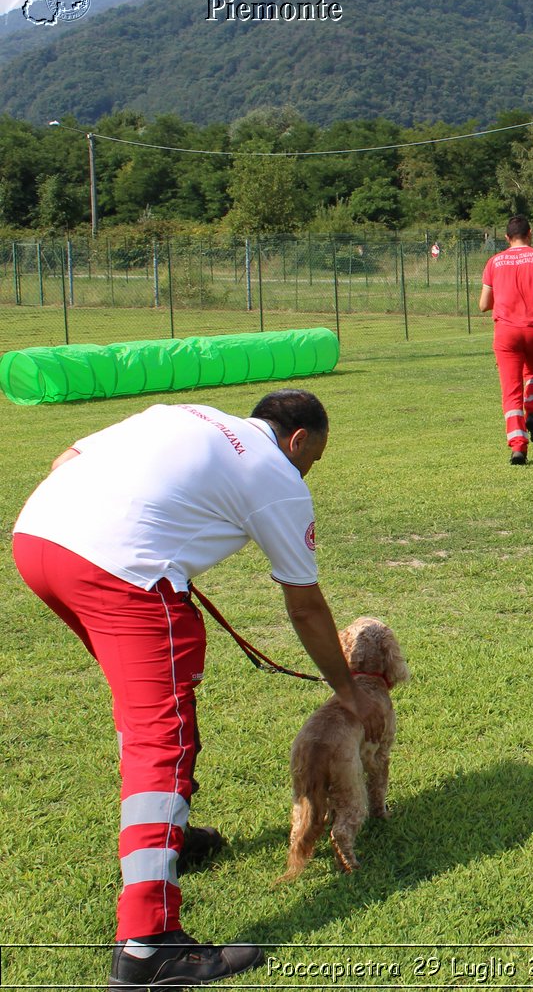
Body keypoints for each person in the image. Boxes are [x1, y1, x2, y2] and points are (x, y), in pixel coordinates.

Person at [10, 389, 377, 989]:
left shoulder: (185, 414)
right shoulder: (281, 477)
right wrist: (347, 691)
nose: (311, 469)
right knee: (164, 739)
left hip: (40, 541)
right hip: (121, 573)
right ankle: (148, 945)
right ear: (299, 440)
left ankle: (166, 842)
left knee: (143, 715)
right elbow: (306, 606)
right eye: (315, 457)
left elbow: (64, 462)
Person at [480, 216, 533, 465]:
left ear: (507, 237)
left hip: (506, 332)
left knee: (511, 389)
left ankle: (518, 446)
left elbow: (484, 304)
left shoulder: (494, 262)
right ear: (530, 233)